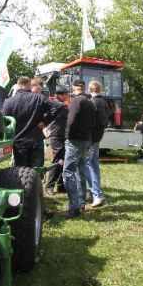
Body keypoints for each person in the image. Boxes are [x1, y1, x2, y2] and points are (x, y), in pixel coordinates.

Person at [2, 76, 54, 168]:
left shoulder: (9, 102)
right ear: (29, 85)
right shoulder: (39, 98)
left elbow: (3, 119)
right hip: (36, 140)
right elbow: (58, 107)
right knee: (37, 171)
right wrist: (45, 121)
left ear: (18, 85)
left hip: (19, 142)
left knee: (21, 171)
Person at [62, 79, 95, 217]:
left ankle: (74, 207)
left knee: (68, 173)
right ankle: (81, 203)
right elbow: (95, 121)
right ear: (84, 87)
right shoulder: (89, 102)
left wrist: (67, 135)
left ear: (73, 88)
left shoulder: (76, 100)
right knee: (80, 172)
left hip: (75, 141)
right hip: (86, 140)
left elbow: (71, 120)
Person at [84, 80, 110, 207]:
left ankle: (97, 194)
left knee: (87, 165)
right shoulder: (104, 102)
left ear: (89, 90)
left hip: (91, 137)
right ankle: (93, 192)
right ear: (100, 89)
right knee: (94, 165)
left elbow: (89, 121)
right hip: (99, 136)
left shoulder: (92, 103)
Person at [44, 85, 70, 194]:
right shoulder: (59, 106)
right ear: (60, 95)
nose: (68, 96)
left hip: (61, 135)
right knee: (57, 161)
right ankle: (49, 186)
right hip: (57, 136)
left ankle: (61, 185)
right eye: (66, 94)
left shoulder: (57, 104)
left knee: (63, 160)